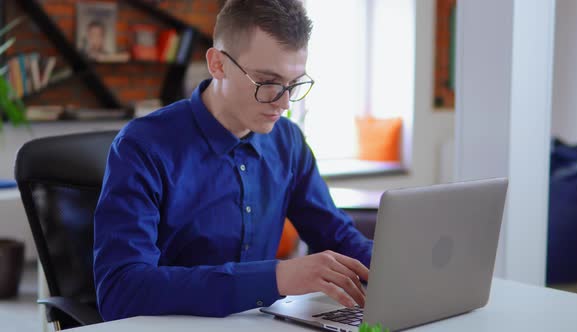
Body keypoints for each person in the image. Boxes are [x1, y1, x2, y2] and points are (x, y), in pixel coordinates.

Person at [93, 0, 373, 321]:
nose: (284, 103)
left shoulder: (288, 141)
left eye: (294, 84)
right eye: (267, 82)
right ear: (217, 65)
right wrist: (276, 278)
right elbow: (121, 291)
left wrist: (400, 268)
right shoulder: (142, 146)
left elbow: (336, 237)